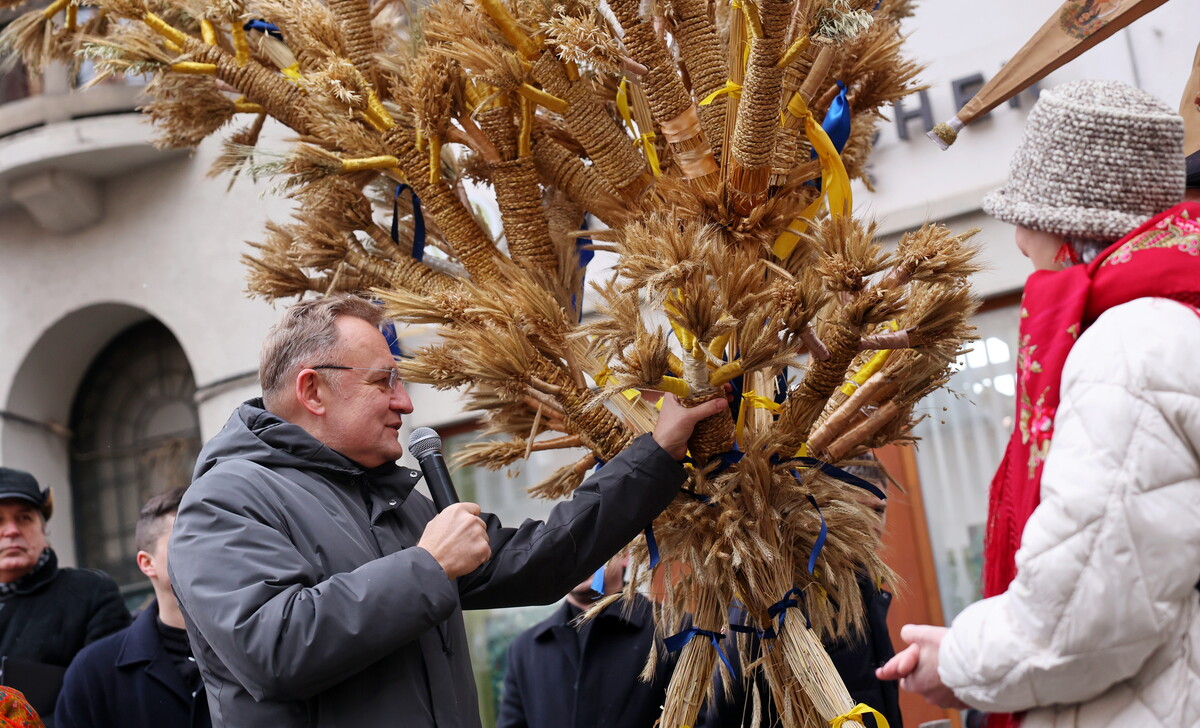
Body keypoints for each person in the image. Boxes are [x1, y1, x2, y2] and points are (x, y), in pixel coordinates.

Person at [168, 294, 728, 728]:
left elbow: (545, 558)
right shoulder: (224, 501)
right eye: (385, 381)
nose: (405, 402)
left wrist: (657, 453)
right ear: (313, 391)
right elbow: (272, 648)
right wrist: (429, 567)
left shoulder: (388, 500)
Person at [876, 80, 1200, 727]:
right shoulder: (1173, 320)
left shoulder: (1129, 351)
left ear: (1069, 228)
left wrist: (959, 661)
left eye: (1026, 219)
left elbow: (1083, 615)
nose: (1021, 245)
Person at [699, 460, 901, 728]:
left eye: (879, 510)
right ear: (827, 510)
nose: (872, 524)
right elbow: (726, 708)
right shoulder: (779, 596)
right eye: (858, 509)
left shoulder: (867, 590)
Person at [55, 487, 209, 728]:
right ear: (147, 563)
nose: (207, 552)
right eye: (187, 539)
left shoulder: (259, 643)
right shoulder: (93, 671)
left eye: (214, 538)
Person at [0, 468, 130, 720]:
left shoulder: (89, 593)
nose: (12, 531)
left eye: (24, 518)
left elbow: (109, 693)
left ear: (43, 529)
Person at [497, 554, 674, 728]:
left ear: (625, 555)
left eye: (594, 543)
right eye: (569, 548)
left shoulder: (674, 631)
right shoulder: (524, 650)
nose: (580, 556)